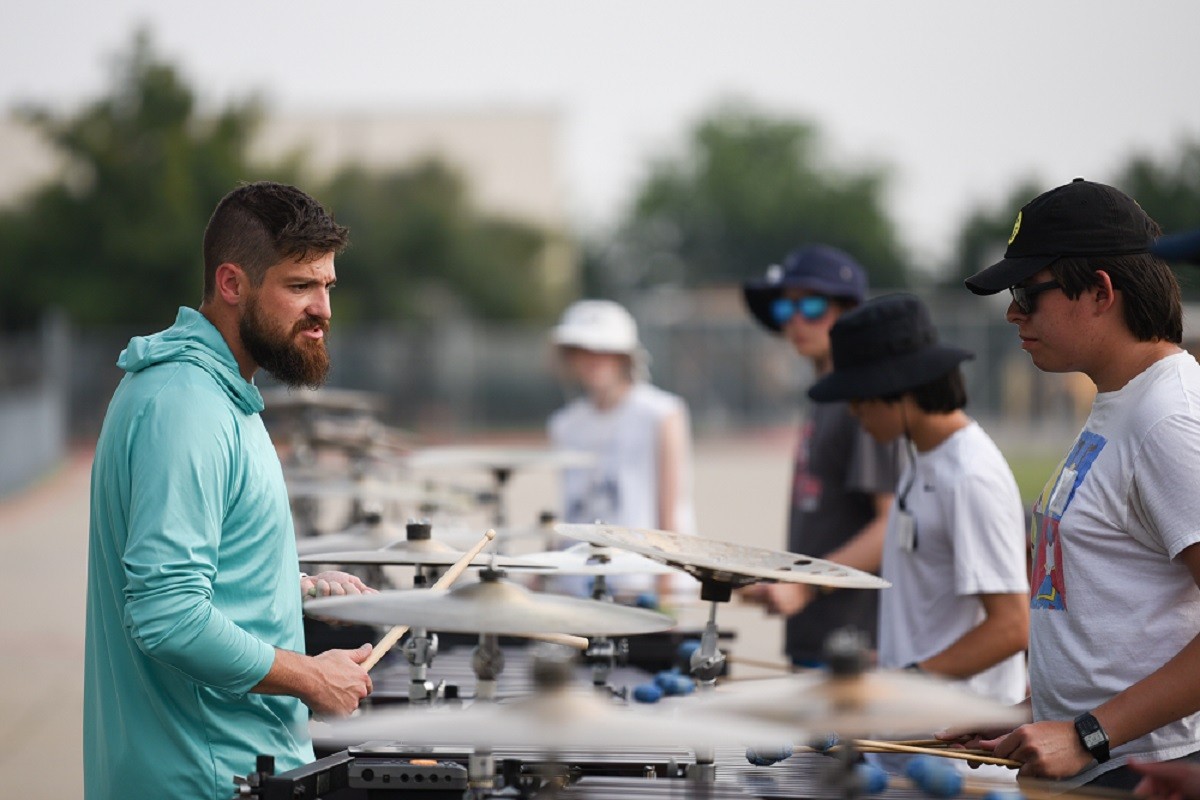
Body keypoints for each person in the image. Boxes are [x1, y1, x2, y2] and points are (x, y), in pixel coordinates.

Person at [84, 182, 377, 800]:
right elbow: (167, 615)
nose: (322, 308)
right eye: (299, 286)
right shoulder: (186, 405)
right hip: (209, 777)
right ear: (232, 284)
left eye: (327, 286)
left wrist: (279, 585)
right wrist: (310, 677)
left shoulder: (215, 394)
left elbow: (191, 576)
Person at [956, 178, 1200, 789]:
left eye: (1027, 293)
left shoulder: (1168, 420)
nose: (1013, 313)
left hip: (1146, 772)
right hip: (1097, 759)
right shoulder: (1120, 403)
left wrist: (1087, 734)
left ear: (1099, 291)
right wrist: (1029, 717)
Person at [807, 293, 1029, 774]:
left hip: (958, 746)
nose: (852, 413)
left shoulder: (969, 476)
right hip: (915, 732)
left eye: (858, 396)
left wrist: (906, 678)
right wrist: (886, 664)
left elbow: (1012, 626)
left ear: (897, 389)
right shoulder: (920, 457)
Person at [739, 245, 900, 667]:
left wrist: (806, 586)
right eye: (784, 309)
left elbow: (892, 522)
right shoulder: (825, 397)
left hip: (853, 643)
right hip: (814, 634)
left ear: (849, 312)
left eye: (810, 305)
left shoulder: (862, 400)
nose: (795, 321)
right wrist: (780, 580)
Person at [547, 299, 696, 602]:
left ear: (624, 356)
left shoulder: (660, 413)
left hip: (641, 580)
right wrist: (541, 572)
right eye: (582, 350)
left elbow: (670, 507)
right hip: (579, 578)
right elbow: (569, 504)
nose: (593, 360)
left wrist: (666, 585)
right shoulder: (565, 424)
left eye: (603, 350)